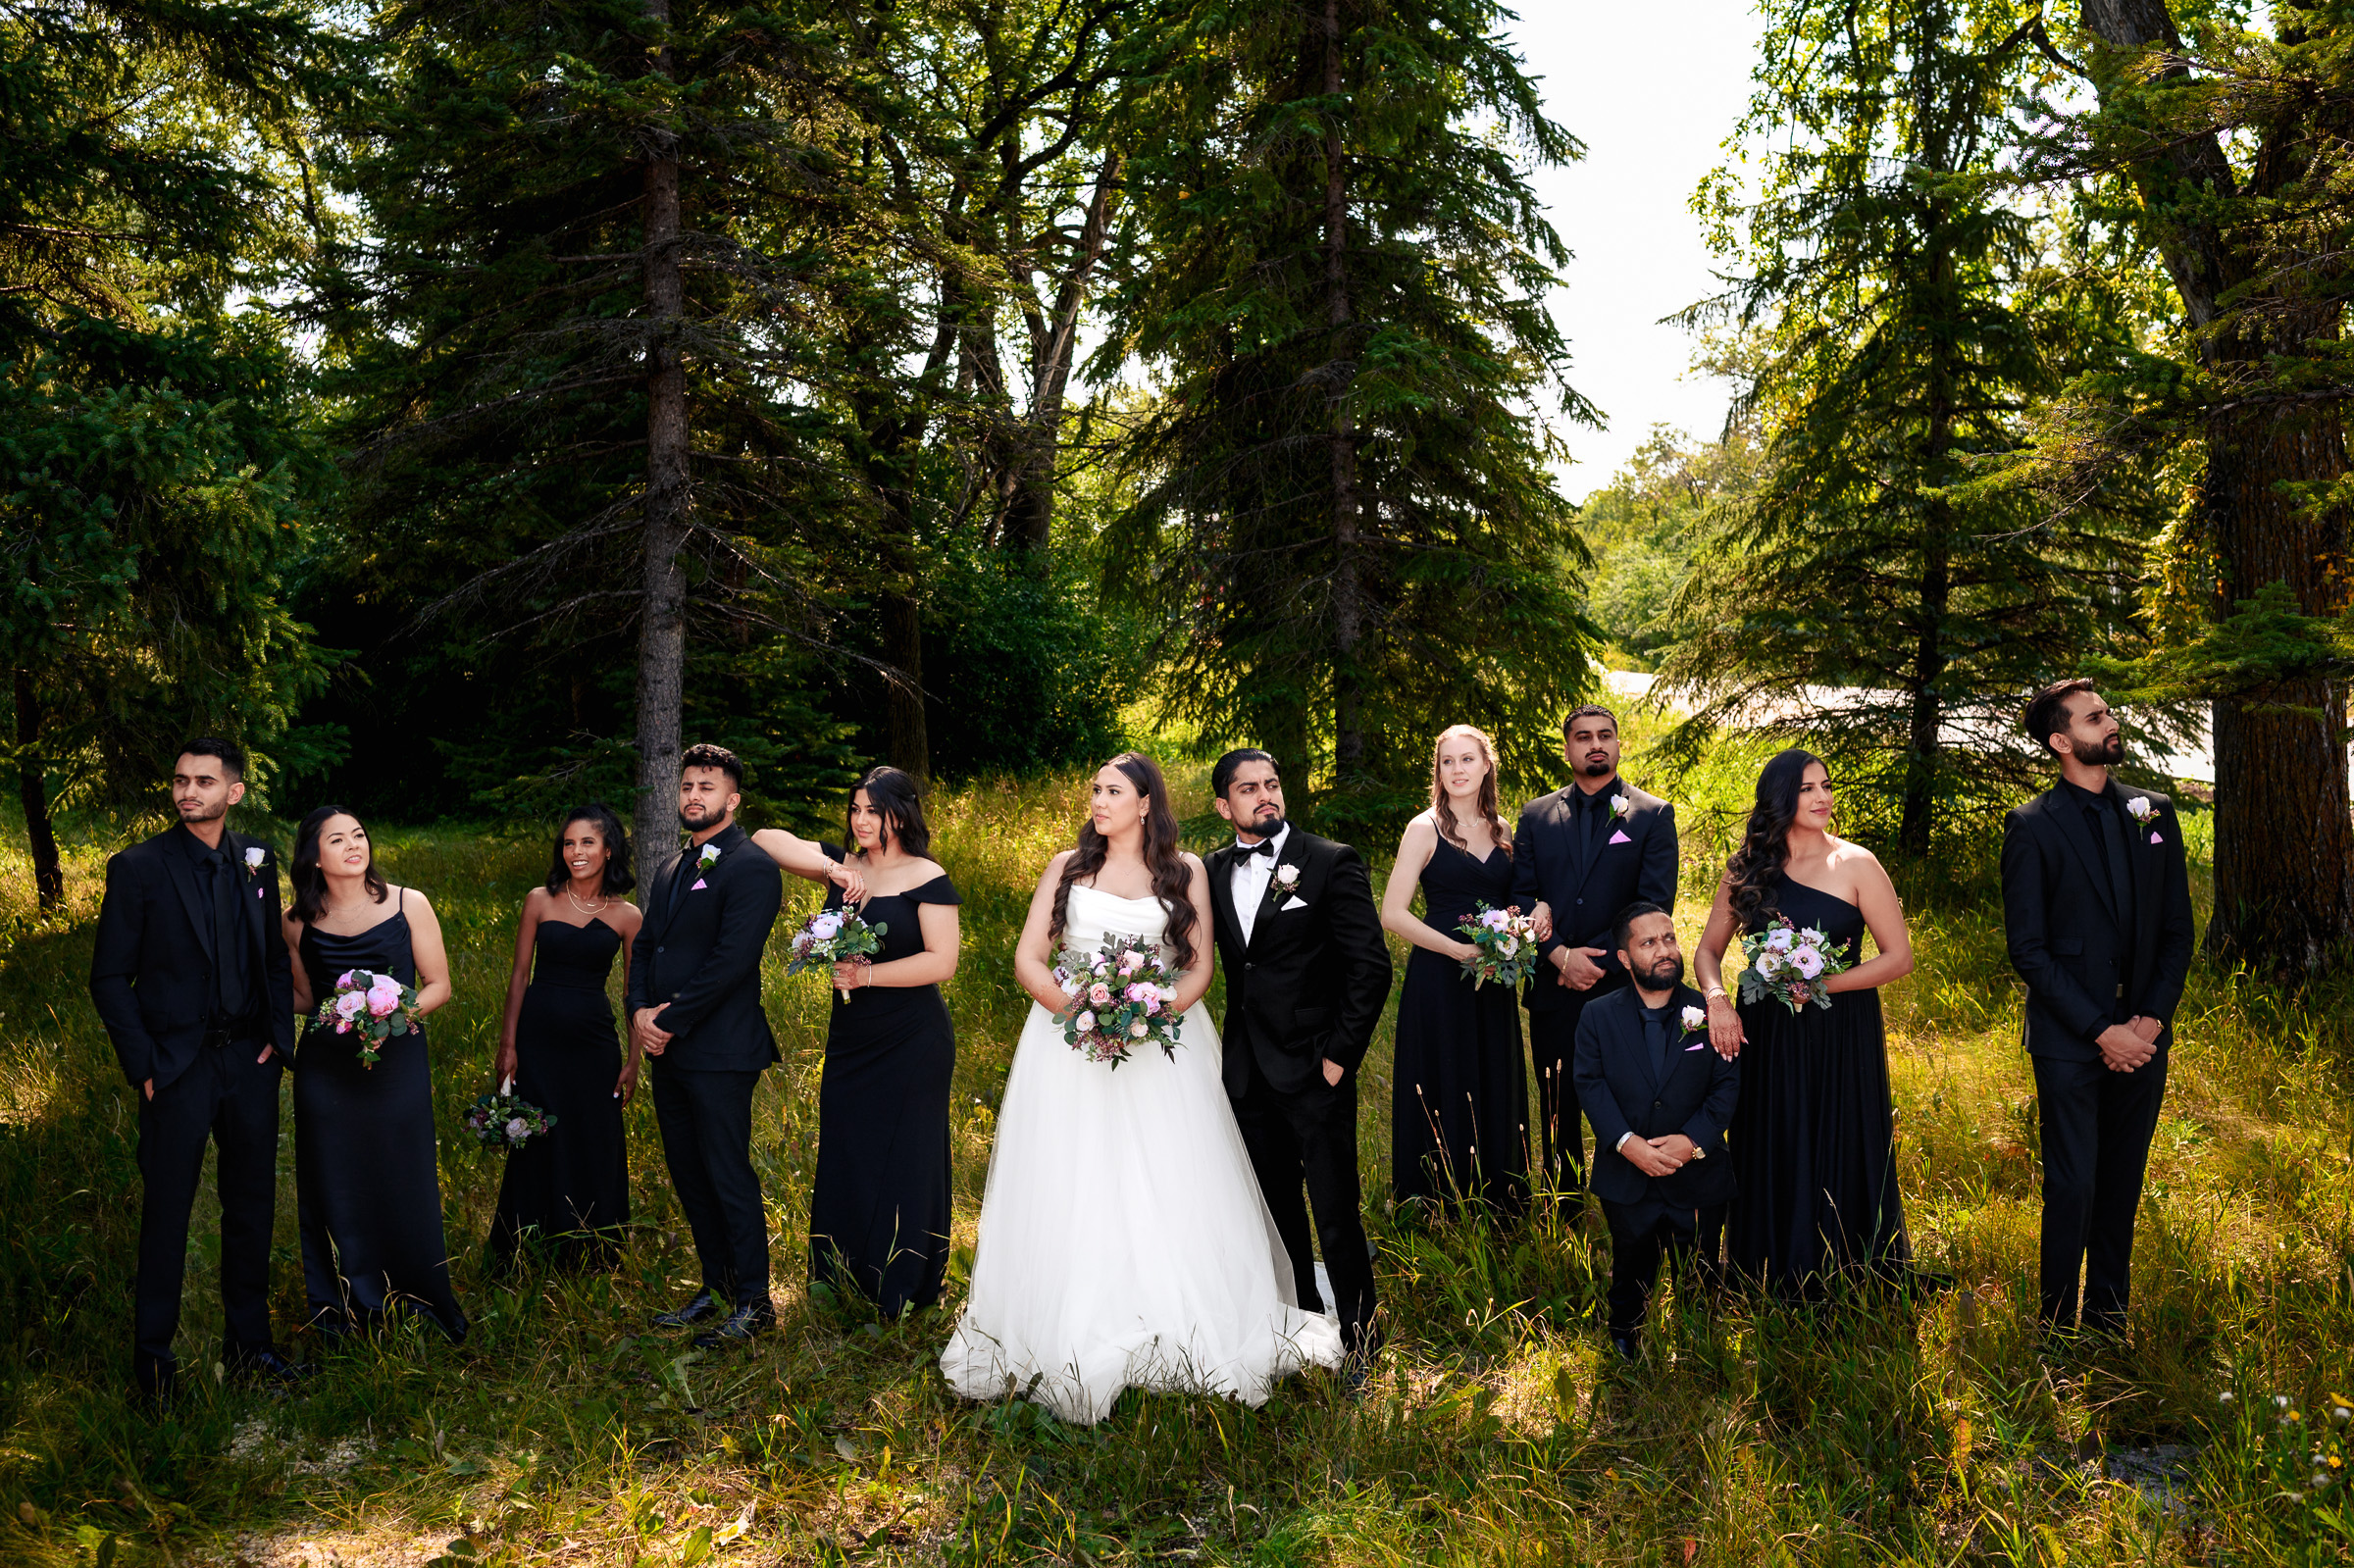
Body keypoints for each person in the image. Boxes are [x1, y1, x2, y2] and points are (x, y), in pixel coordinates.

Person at [942, 752, 1343, 1423]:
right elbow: (1029, 958)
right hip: (1069, 1047)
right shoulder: (1067, 868)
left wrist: (1147, 1017)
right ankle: (1066, 1319)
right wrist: (1082, 1013)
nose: (1099, 801)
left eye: (1113, 791)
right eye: (1095, 790)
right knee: (1075, 1176)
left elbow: (1199, 968)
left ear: (1146, 802)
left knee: (1168, 1175)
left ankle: (1176, 1312)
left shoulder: (1184, 872)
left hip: (1160, 1047)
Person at [89, 738, 307, 1404]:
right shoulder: (138, 867)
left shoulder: (257, 857)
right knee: (167, 1214)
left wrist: (276, 1041)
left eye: (203, 781)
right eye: (181, 780)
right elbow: (108, 977)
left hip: (248, 1061)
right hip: (175, 1069)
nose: (187, 791)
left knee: (251, 1207)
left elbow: (272, 956)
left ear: (233, 792)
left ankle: (250, 1351)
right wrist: (145, 1064)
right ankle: (154, 1373)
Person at [2002, 680, 2192, 1343]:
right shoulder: (2031, 825)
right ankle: (2055, 1329)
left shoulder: (2152, 811)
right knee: (2072, 1185)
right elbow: (2028, 950)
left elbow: (2177, 932)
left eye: (2108, 712)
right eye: (2094, 717)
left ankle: (2109, 1324)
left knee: (2121, 1183)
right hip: (2069, 1040)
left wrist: (2149, 1021)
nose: (2110, 722)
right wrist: (2100, 1030)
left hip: (2144, 1035)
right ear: (2061, 740)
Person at [1692, 749, 1915, 1294]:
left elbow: (1898, 958)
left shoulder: (1857, 864)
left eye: (1826, 786)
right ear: (1780, 798)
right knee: (1773, 1135)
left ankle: (1847, 1269)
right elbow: (1707, 952)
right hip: (1767, 1031)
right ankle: (1768, 1267)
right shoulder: (1746, 868)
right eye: (1807, 788)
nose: (1822, 797)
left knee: (1842, 1134)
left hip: (1841, 1029)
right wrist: (1717, 999)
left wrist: (1820, 986)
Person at [1203, 749, 1393, 1364]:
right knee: (1276, 1209)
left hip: (1315, 1068)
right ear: (1223, 806)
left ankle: (1362, 1343)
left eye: (1272, 784)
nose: (1265, 795)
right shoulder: (1210, 871)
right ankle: (1303, 1329)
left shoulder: (1331, 861)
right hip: (1246, 1071)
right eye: (1248, 788)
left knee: (1335, 1212)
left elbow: (1370, 968)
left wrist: (1339, 1057)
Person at [630, 743, 804, 1348]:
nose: (693, 796)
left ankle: (755, 1303)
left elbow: (732, 961)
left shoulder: (752, 866)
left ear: (733, 800)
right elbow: (647, 945)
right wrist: (639, 1013)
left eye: (707, 787)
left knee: (727, 1174)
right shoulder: (671, 866)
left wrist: (669, 1019)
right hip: (668, 1049)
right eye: (687, 786)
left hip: (722, 1051)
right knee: (689, 1173)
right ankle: (718, 1287)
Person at [283, 805, 467, 1340]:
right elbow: (305, 997)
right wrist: (245, 996)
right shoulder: (294, 921)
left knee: (401, 1177)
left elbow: (439, 985)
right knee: (336, 1182)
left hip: (396, 1064)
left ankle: (416, 1301)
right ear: (313, 858)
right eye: (337, 839)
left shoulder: (409, 903)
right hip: (325, 1071)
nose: (353, 845)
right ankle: (346, 1306)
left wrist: (388, 1013)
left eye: (359, 835)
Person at [794, 766, 961, 1317]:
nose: (860, 820)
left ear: (902, 815)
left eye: (873, 810)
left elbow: (943, 961)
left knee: (908, 1155)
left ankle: (905, 1285)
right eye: (855, 809)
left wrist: (866, 975)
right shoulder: (844, 867)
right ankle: (841, 1276)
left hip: (913, 1039)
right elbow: (766, 839)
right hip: (852, 1037)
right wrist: (833, 869)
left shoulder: (926, 875)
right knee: (848, 1145)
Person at [1511, 706, 1678, 1208]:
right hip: (1553, 986)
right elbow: (1520, 896)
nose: (1595, 744)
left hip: (1624, 989)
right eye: (1583, 737)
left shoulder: (1652, 814)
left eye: (1605, 735)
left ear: (1618, 744)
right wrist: (1559, 955)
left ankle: (1629, 1210)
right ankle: (1563, 1210)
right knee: (1557, 1104)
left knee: (1630, 1101)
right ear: (1568, 749)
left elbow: (1653, 905)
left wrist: (1596, 961)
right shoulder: (1536, 816)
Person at [1573, 902, 1737, 1361]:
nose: (1664, 950)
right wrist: (1627, 1144)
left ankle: (1699, 1339)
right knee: (1630, 1262)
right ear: (1624, 958)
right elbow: (1590, 1085)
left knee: (1701, 1266)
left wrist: (1693, 1142)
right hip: (1628, 1174)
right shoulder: (1597, 1016)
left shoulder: (1710, 1012)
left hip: (1699, 1175)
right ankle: (1625, 1334)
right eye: (1648, 943)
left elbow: (1726, 1087)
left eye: (1669, 939)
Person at [485, 803, 642, 1272]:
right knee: (537, 1135)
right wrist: (508, 1044)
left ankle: (593, 1252)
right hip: (538, 1040)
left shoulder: (628, 916)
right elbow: (519, 976)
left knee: (593, 1138)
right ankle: (524, 1251)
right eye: (569, 843)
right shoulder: (540, 900)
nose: (576, 852)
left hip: (594, 1045)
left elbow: (634, 994)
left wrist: (634, 1061)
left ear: (609, 849)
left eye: (587, 842)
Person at [1379, 725, 1528, 1218]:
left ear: (1486, 766)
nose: (1457, 770)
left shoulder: (1504, 830)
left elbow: (1514, 903)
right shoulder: (1424, 828)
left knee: (1492, 1070)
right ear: (1438, 772)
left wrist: (1517, 935)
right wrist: (1456, 951)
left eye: (1467, 760)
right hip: (1441, 975)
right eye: (1448, 761)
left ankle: (1496, 1197)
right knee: (1443, 1071)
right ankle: (1436, 1199)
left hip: (1492, 978)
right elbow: (1393, 913)